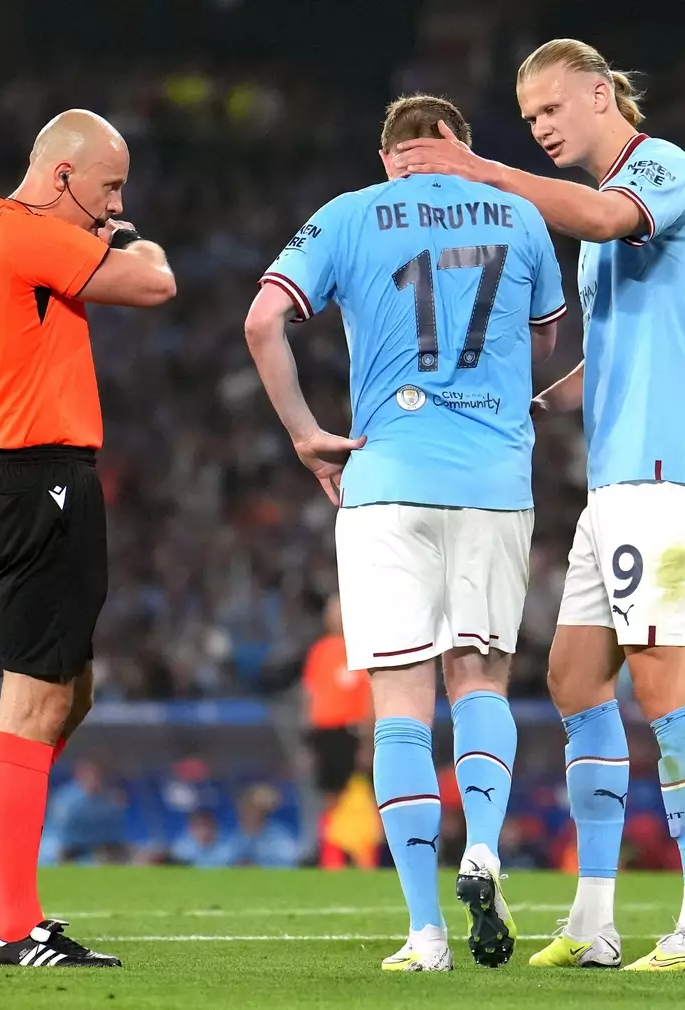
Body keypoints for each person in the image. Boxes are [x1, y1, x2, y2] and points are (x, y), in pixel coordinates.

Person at [394, 38, 685, 971]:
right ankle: (594, 919)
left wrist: (475, 168)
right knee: (576, 681)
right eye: (529, 117)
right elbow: (623, 348)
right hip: (615, 483)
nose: (540, 127)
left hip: (665, 480)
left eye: (550, 110)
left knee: (666, 682)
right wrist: (545, 399)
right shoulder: (599, 225)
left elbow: (596, 217)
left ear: (597, 93)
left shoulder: (661, 172)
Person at [244, 94, 564, 972]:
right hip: (495, 478)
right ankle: (488, 847)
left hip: (385, 482)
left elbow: (261, 320)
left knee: (398, 703)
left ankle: (425, 932)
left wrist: (309, 434)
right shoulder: (522, 213)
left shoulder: (350, 215)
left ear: (390, 159)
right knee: (483, 683)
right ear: (458, 146)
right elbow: (543, 340)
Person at [0, 108, 176, 970]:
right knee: (37, 704)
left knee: (66, 693)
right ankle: (14, 926)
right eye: (108, 189)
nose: (112, 208)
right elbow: (154, 286)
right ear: (62, 173)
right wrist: (136, 241)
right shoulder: (24, 234)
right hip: (42, 483)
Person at [301, 594, 374, 868]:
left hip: (351, 733)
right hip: (324, 733)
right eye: (333, 610)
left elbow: (369, 697)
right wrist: (308, 739)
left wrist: (367, 741)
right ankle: (331, 860)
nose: (336, 616)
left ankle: (363, 857)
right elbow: (311, 695)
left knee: (358, 797)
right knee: (329, 799)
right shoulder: (319, 651)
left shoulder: (362, 649)